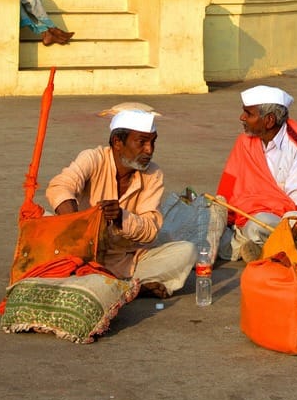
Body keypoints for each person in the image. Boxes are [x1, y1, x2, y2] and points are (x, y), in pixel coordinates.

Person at [46, 109, 196, 298]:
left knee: (186, 251)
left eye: (152, 142)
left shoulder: (153, 174)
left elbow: (150, 229)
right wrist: (80, 226)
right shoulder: (93, 158)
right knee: (43, 224)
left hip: (124, 259)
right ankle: (128, 287)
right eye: (141, 142)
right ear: (118, 142)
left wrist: (120, 217)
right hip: (81, 255)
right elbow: (60, 186)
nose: (149, 150)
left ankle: (115, 286)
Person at [216, 85, 297, 263]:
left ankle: (261, 246)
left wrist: (263, 209)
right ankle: (260, 246)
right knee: (212, 215)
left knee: (257, 225)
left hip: (284, 221)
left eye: (249, 114)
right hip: (247, 217)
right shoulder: (245, 142)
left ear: (269, 120)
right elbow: (229, 190)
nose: (242, 118)